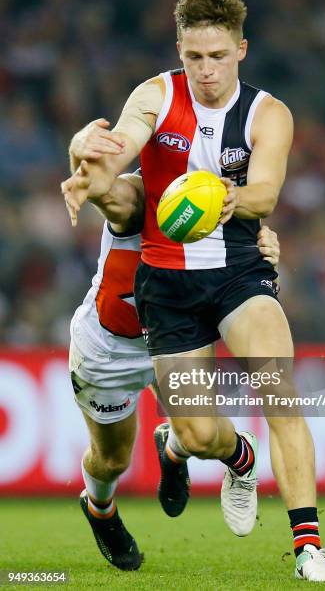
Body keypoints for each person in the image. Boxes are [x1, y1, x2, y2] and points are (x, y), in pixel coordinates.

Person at [63, 0, 325, 581]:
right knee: (181, 436)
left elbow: (267, 190)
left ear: (241, 49)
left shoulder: (269, 113)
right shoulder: (156, 97)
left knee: (280, 392)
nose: (207, 70)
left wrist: (232, 200)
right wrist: (87, 169)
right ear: (179, 51)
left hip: (239, 273)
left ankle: (308, 548)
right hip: (161, 291)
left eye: (218, 56)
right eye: (195, 57)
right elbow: (123, 145)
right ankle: (173, 456)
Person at [67, 122, 281, 571]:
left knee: (201, 436)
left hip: (173, 339)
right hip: (111, 349)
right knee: (111, 460)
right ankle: (99, 509)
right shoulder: (136, 195)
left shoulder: (217, 203)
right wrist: (78, 157)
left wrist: (264, 244)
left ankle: (189, 450)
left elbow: (249, 254)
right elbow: (107, 193)